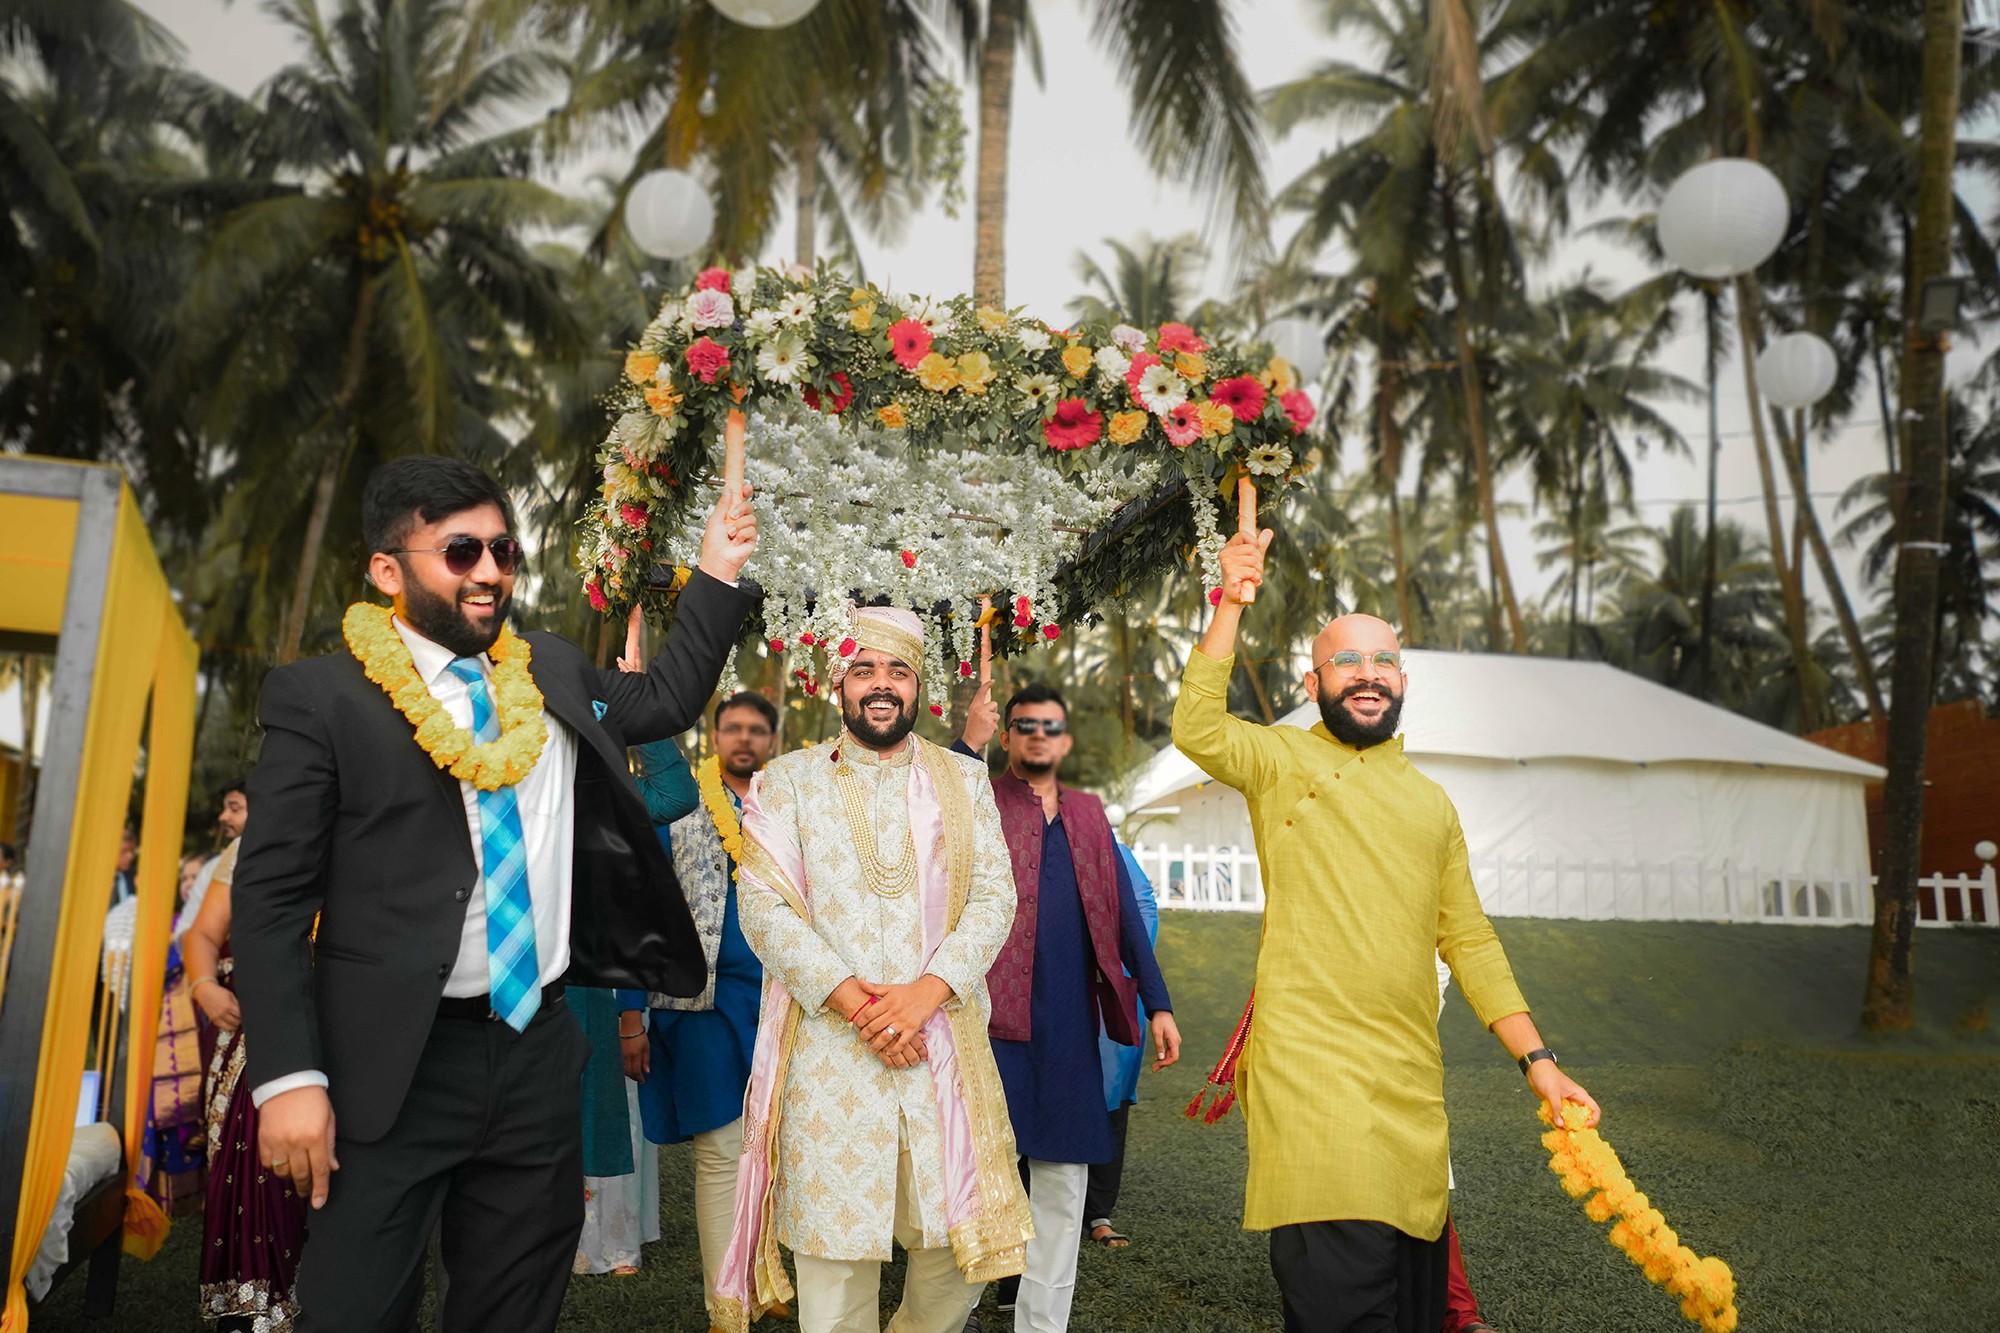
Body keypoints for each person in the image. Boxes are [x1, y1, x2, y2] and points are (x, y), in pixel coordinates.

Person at [230, 456, 758, 1331]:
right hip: (390, 1062)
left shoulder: (548, 666)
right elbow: (272, 898)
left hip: (536, 1050)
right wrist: (288, 1075)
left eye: (503, 551)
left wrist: (717, 568)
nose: (489, 571)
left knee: (514, 1307)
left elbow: (665, 698)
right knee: (357, 1309)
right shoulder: (323, 699)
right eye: (461, 550)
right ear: (387, 571)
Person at [1171, 506, 1600, 1333]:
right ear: (1313, 684)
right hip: (1310, 1078)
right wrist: (1230, 600)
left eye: (1383, 662)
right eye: (1345, 662)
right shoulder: (1281, 760)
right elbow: (1198, 724)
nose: (1366, 674)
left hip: (1411, 1093)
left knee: (1408, 1312)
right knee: (1344, 1311)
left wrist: (1539, 1062)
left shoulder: (1431, 804)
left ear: (1402, 682)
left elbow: (1469, 939)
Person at [716, 606, 1032, 1333]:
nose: (881, 685)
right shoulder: (786, 782)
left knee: (957, 1258)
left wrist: (925, 993)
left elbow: (995, 895)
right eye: (865, 670)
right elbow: (764, 909)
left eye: (898, 671)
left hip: (941, 1046)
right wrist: (864, 1007)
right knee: (832, 1270)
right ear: (839, 685)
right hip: (833, 1055)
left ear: (920, 687)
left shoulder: (963, 778)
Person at [956, 683, 1178, 1333]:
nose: (1037, 736)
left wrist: (1157, 1003)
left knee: (1060, 1185)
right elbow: (929, 812)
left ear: (1065, 739)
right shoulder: (978, 799)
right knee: (975, 1180)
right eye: (1023, 724)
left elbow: (1127, 916)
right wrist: (966, 741)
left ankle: (1042, 1323)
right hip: (989, 1021)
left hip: (1070, 1029)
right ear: (1006, 736)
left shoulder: (1086, 815)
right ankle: (956, 1308)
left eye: (1049, 726)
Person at [612, 691, 781, 1327]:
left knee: (770, 1152)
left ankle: (762, 1279)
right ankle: (725, 1303)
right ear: (715, 737)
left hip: (775, 1005)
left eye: (756, 730)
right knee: (721, 1152)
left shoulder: (785, 811)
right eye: (732, 728)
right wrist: (631, 1017)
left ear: (770, 739)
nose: (744, 738)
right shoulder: (676, 806)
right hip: (700, 1005)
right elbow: (637, 909)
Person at [185, 839, 307, 1330]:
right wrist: (204, 986)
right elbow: (202, 937)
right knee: (253, 1151)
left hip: (349, 1024)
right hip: (256, 1022)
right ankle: (252, 1307)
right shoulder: (254, 842)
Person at [1086, 835, 1159, 1250]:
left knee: (1112, 1098)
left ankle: (1098, 1211)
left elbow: (1143, 904)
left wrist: (1116, 964)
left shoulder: (1106, 844)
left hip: (1111, 991)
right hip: (1050, 989)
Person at [176, 779, 250, 940]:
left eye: (234, 809)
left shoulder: (283, 860)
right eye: (224, 809)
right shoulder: (212, 868)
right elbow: (185, 929)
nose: (223, 817)